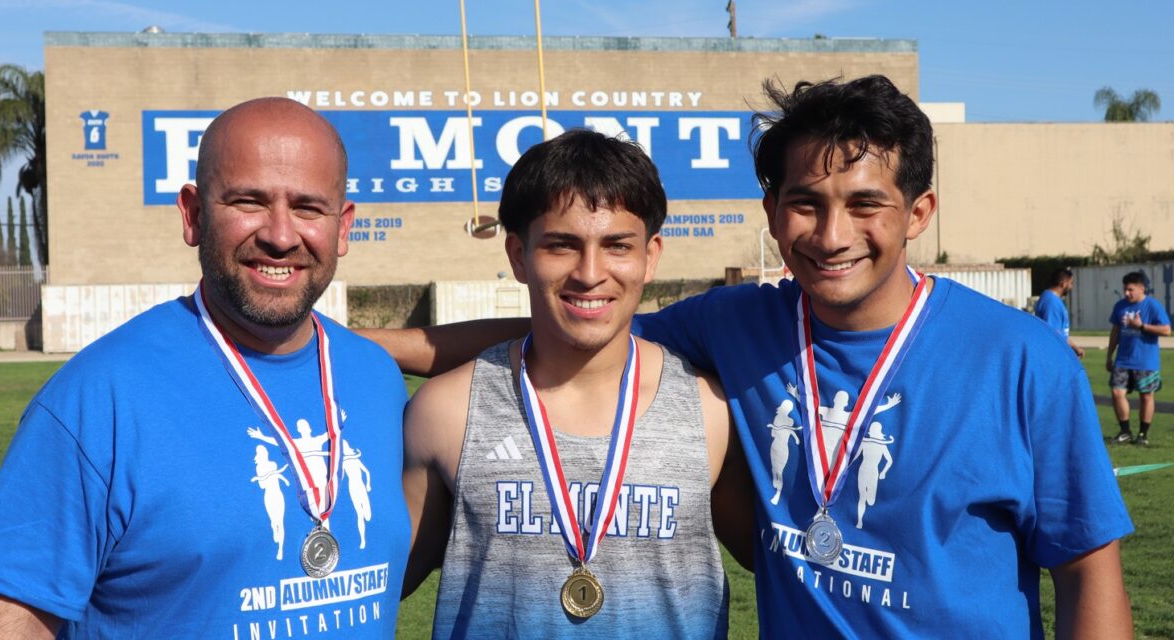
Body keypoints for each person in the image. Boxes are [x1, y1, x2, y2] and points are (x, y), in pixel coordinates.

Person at [365, 76, 1134, 637]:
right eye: (806, 202)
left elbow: (1087, 572)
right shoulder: (738, 326)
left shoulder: (1024, 359)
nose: (832, 235)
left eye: (866, 204)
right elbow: (579, 317)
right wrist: (351, 350)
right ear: (772, 213)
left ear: (919, 213)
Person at [0, 98, 410, 639]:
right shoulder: (100, 396)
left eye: (308, 208)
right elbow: (9, 621)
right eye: (248, 201)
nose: (281, 235)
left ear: (343, 225)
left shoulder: (377, 379)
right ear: (193, 214)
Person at [401, 130, 752, 638]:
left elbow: (784, 569)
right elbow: (371, 587)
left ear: (650, 256)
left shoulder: (711, 408)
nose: (590, 273)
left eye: (617, 245)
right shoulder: (446, 410)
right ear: (519, 255)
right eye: (562, 245)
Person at [1107, 271, 1171, 446]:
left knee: (1146, 396)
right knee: (1116, 392)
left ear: (1142, 288)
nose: (1127, 293)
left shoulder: (1152, 306)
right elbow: (1115, 332)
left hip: (1146, 361)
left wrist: (1141, 326)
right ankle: (1125, 431)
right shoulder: (1120, 306)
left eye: (1130, 289)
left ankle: (1143, 434)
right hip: (1122, 360)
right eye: (1125, 289)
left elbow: (1166, 330)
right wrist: (1109, 355)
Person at [1035, 267, 1085, 357]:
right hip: (1052, 357)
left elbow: (1061, 333)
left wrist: (1074, 348)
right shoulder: (1051, 302)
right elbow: (1053, 334)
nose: (1071, 287)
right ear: (1063, 284)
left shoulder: (1052, 299)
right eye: (1071, 283)